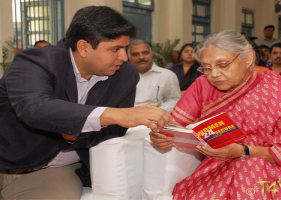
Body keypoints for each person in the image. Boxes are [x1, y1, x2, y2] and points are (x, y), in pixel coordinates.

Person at [0, 6, 172, 200]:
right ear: (83, 47)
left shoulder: (124, 75)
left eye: (125, 48)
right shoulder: (36, 62)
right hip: (6, 158)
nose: (124, 57)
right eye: (115, 49)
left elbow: (116, 129)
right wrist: (115, 114)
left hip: (55, 170)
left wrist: (74, 136)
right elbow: (34, 108)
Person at [150, 30, 281, 199]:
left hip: (271, 169)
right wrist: (160, 134)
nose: (214, 74)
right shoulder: (202, 85)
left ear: (248, 58)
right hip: (217, 166)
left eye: (222, 65)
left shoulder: (279, 92)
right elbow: (173, 124)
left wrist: (242, 151)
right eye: (206, 68)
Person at [128, 39, 181, 113]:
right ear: (129, 58)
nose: (141, 57)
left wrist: (156, 111)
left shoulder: (167, 75)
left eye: (145, 53)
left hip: (156, 118)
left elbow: (174, 100)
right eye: (135, 54)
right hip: (127, 119)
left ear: (151, 54)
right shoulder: (121, 76)